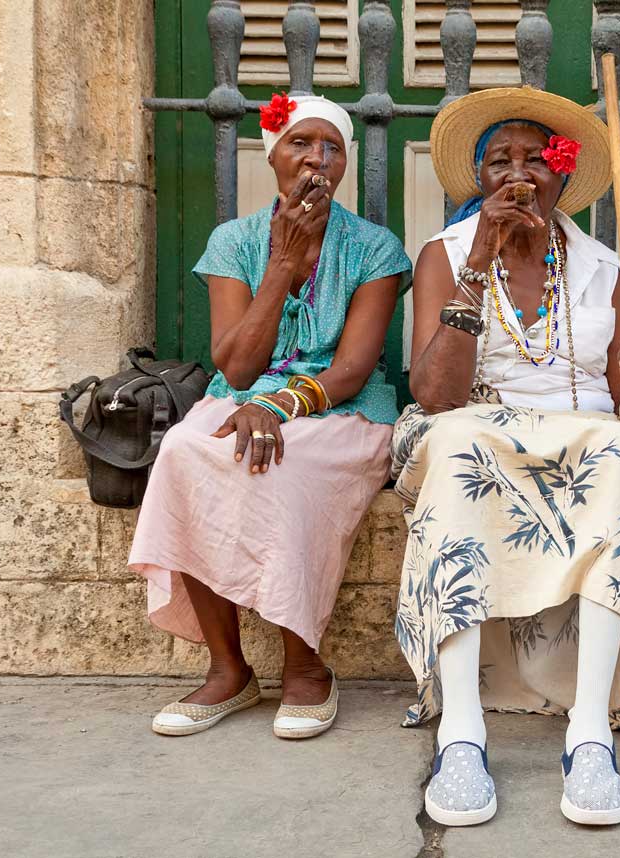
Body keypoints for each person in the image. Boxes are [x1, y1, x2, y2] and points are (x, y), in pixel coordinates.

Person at [395, 86, 620, 827]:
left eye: (535, 159)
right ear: (478, 180)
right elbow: (435, 395)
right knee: (456, 445)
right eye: (499, 161)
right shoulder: (444, 255)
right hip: (471, 422)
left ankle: (588, 734)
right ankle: (461, 731)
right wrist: (479, 260)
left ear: (561, 175)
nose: (518, 174)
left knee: (619, 450)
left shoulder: (602, 266)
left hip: (578, 429)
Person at [128, 94, 411, 740]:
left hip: (343, 410)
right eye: (301, 144)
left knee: (283, 466)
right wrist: (282, 263)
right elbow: (236, 363)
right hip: (243, 395)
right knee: (180, 453)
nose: (318, 159)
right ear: (273, 155)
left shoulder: (374, 248)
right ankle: (228, 669)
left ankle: (305, 667)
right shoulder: (234, 243)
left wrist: (280, 405)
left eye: (332, 147)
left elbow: (352, 369)